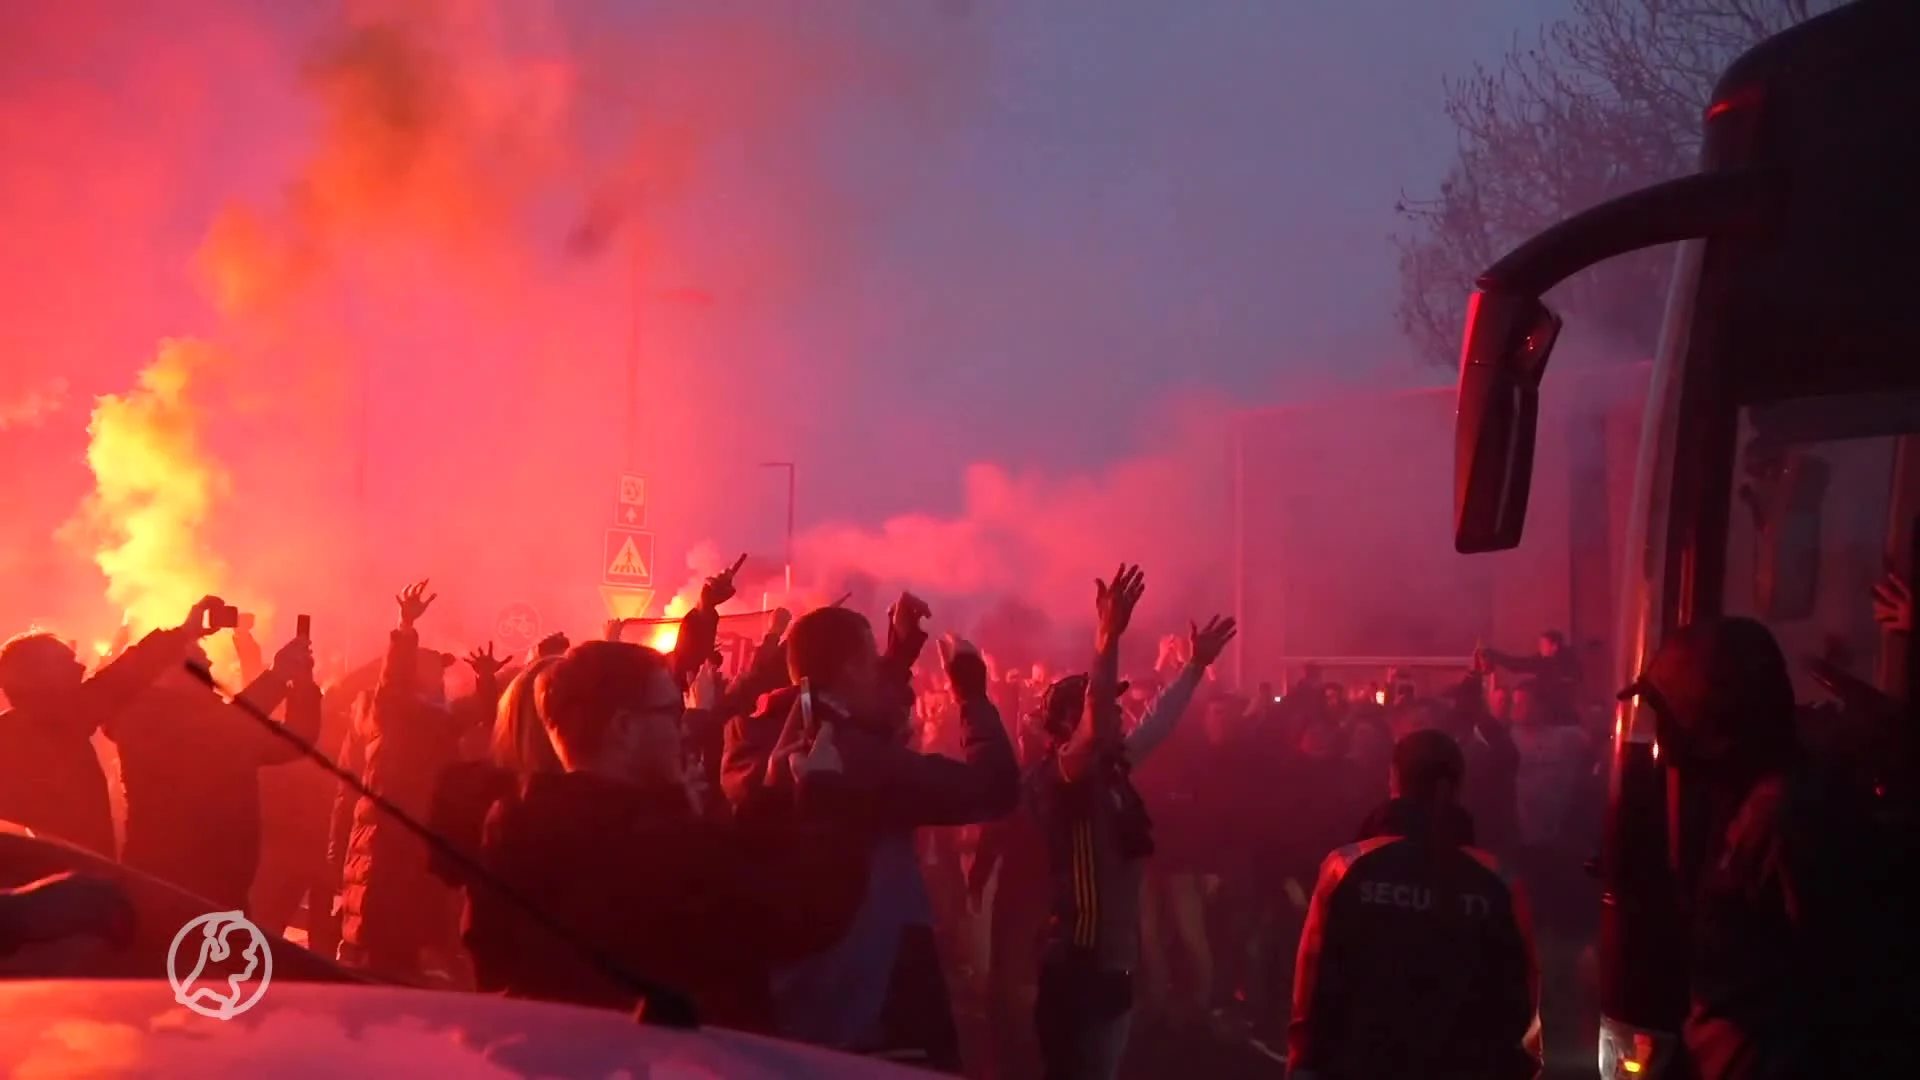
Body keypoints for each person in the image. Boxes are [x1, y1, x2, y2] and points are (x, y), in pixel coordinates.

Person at [453, 639, 866, 1031]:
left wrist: (767, 801)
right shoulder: (656, 843)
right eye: (672, 713)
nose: (685, 729)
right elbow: (806, 913)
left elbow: (491, 963)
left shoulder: (509, 829)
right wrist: (824, 794)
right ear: (625, 728)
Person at [721, 593, 1019, 1071]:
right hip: (873, 1000)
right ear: (852, 669)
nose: (876, 670)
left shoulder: (748, 739)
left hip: (783, 1002)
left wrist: (899, 657)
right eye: (869, 660)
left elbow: (852, 712)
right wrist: (971, 694)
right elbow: (996, 788)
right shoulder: (858, 760)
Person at [1637, 615, 1920, 1079]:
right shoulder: (1747, 808)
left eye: (1666, 717)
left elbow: (1850, 999)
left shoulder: (1789, 824)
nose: (1661, 743)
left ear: (1706, 724)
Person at [1028, 562, 1236, 1080]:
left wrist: (1192, 669)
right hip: (1078, 965)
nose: (1122, 714)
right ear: (1070, 724)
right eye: (1107, 708)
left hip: (1114, 965)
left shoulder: (1112, 769)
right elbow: (1099, 719)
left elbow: (1157, 724)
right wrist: (1107, 637)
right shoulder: (1064, 775)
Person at [1287, 728, 1542, 1080]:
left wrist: (1302, 1066)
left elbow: (1314, 983)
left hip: (1360, 1065)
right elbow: (1521, 997)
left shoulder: (1346, 867)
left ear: (1393, 779)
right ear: (1456, 788)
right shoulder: (1497, 880)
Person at [0, 600, 216, 857]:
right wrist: (183, 633)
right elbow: (121, 678)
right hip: (65, 881)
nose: (81, 669)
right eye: (67, 663)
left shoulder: (17, 731)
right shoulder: (55, 724)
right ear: (36, 676)